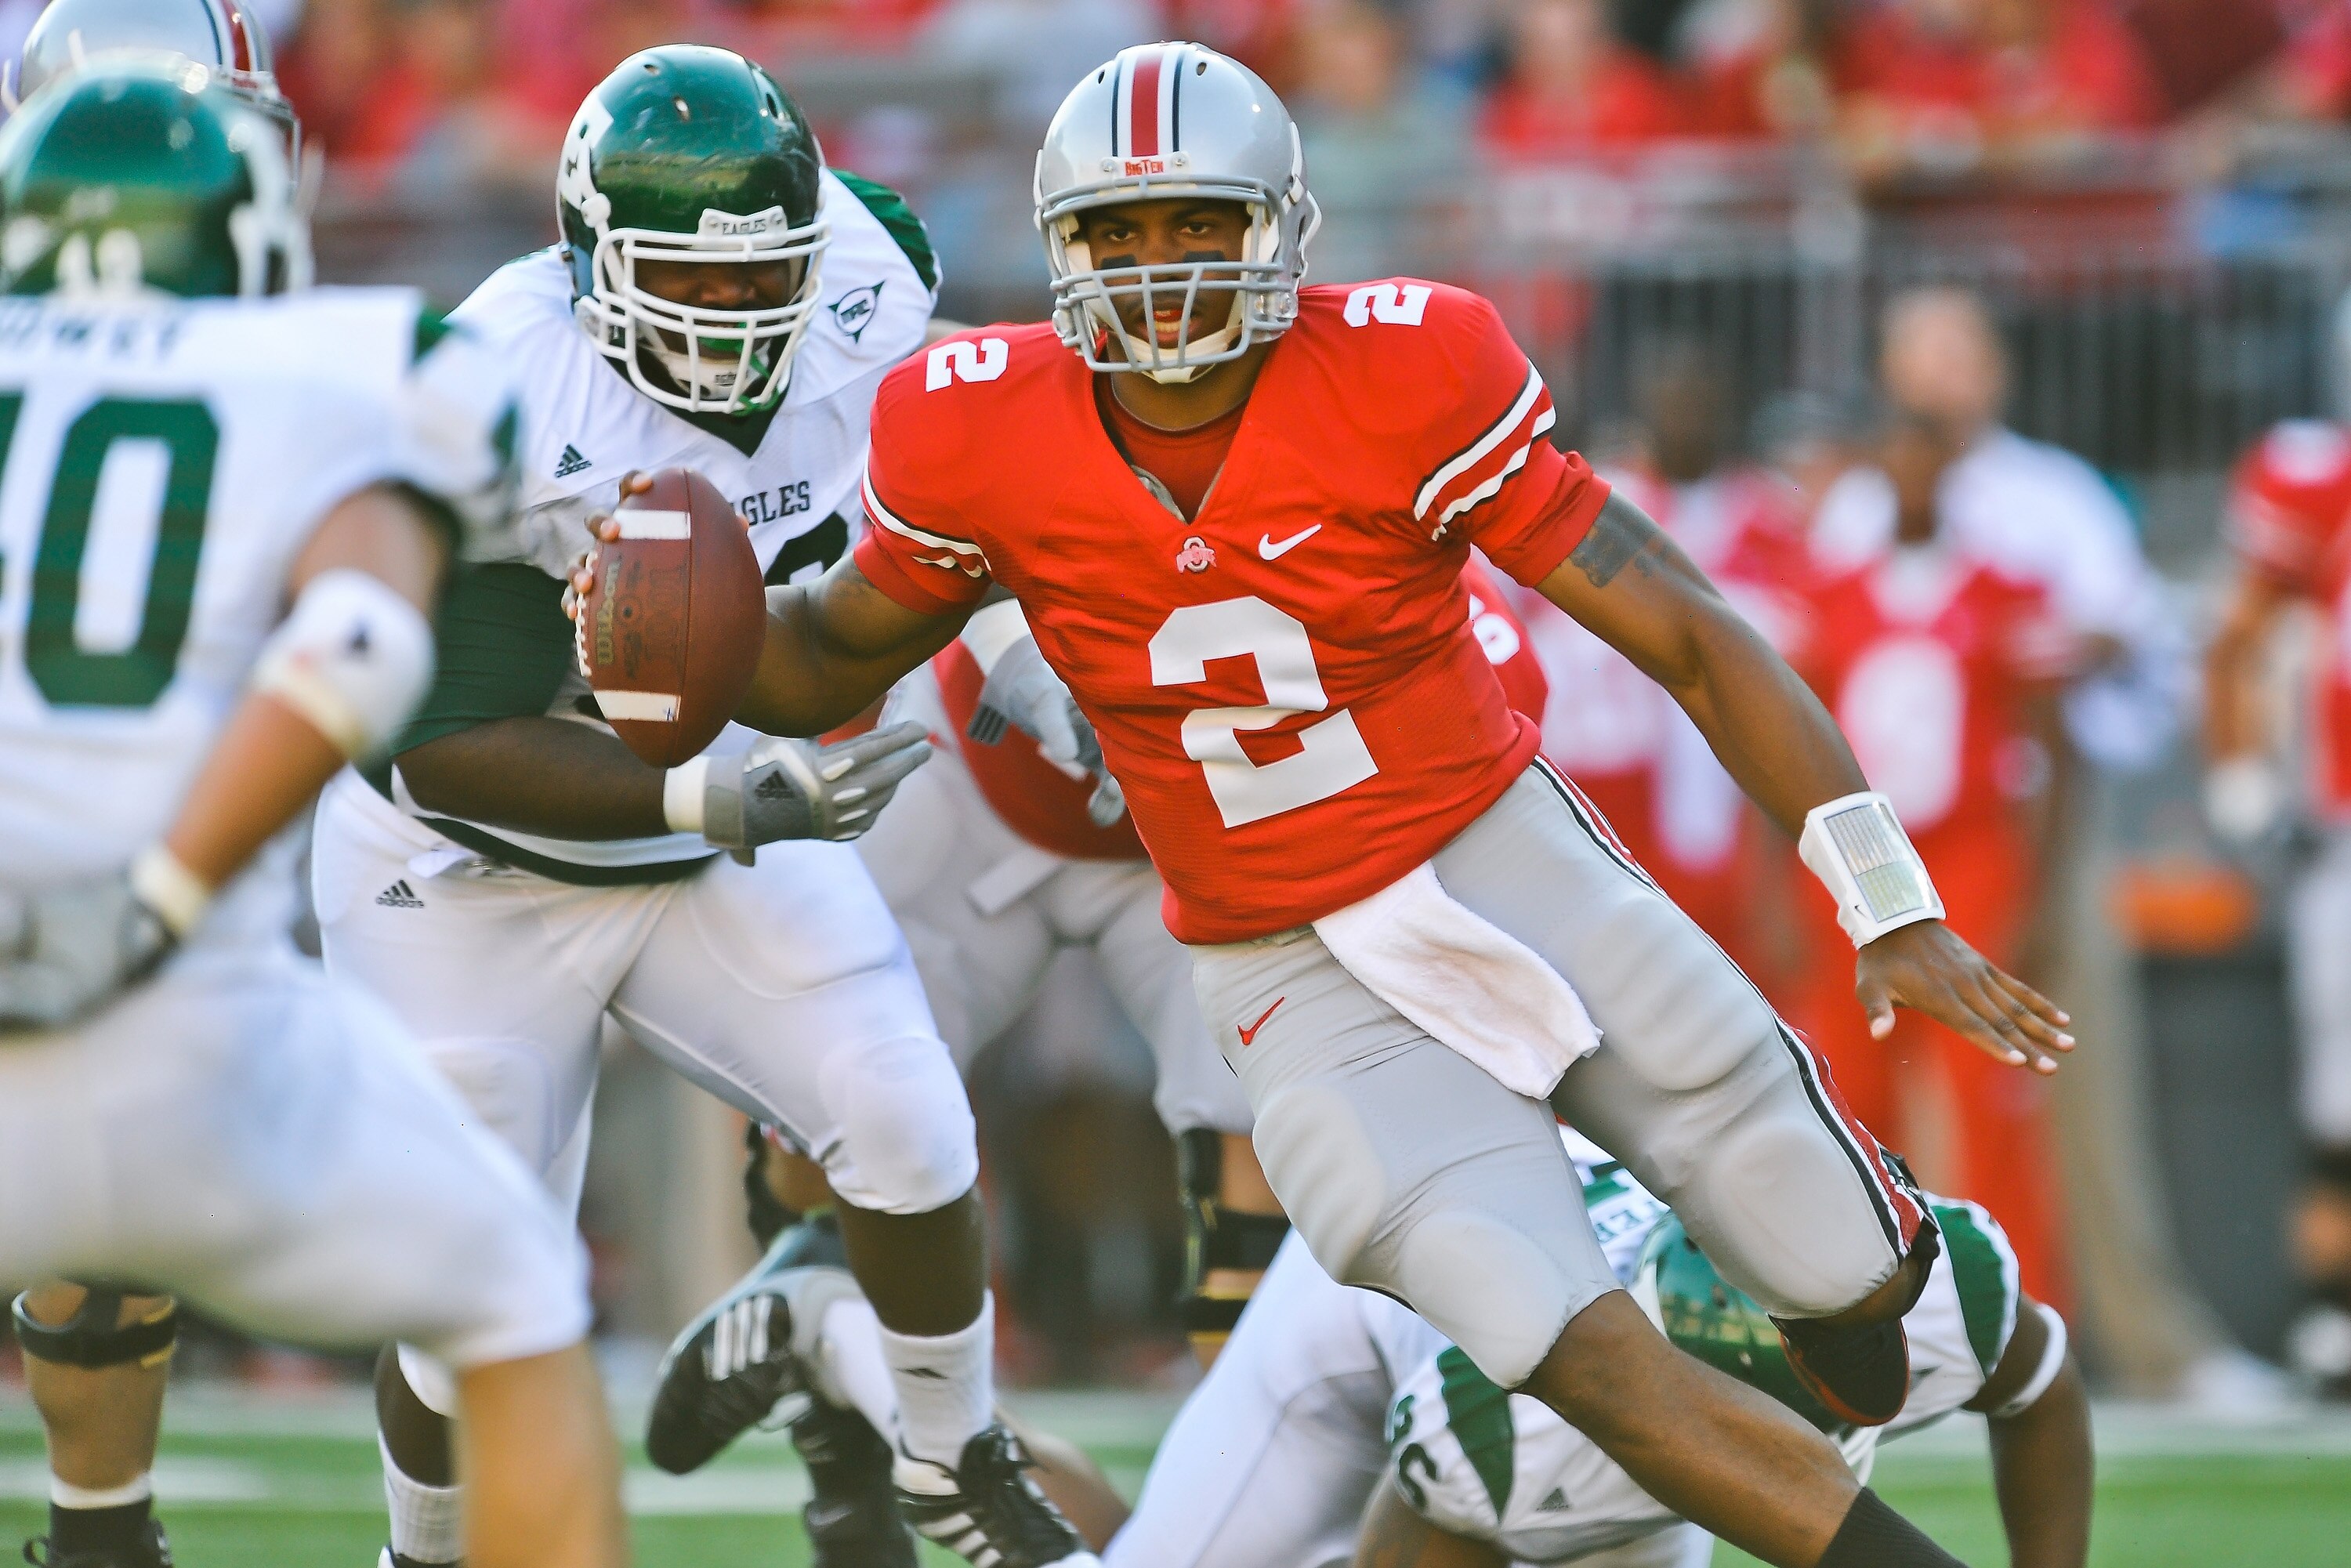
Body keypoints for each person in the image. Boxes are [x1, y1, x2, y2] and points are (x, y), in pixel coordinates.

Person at [595, 40, 2074, 1568]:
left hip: (1502, 861)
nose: (1156, 269)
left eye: (1196, 225)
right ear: (1057, 245)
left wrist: (1885, 895)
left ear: (1282, 231)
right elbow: (832, 648)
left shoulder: (1413, 368)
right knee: (1574, 1357)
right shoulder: (978, 422)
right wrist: (679, 650)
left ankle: (1835, 1313)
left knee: (1855, 1290)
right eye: (1116, 231)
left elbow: (1691, 626)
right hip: (1284, 960)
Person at [306, 43, 1094, 1568]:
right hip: (461, 867)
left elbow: (929, 484)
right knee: (468, 1268)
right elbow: (437, 742)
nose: (734, 317)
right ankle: (424, 1547)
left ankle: (948, 1459)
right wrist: (724, 792)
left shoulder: (873, 266)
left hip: (718, 812)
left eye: (763, 280)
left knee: (909, 1114)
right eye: (688, 279)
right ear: (592, 259)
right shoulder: (495, 392)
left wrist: (1009, 645)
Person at [0, 58, 624, 1568]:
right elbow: (356, 646)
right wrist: (151, 897)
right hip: (195, 1038)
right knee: (516, 1297)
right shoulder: (359, 361)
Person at [647, 565, 1549, 1555]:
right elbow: (937, 525)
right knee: (828, 1117)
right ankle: (842, 1421)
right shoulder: (1088, 429)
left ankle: (1266, 1481)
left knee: (1268, 1186)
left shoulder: (1422, 565)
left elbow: (1478, 744)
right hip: (972, 785)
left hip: (1202, 844)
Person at [1792, 411, 2081, 1307]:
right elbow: (1789, 745)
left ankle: (2018, 1315)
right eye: (1897, 455)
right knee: (1850, 1091)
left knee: (1990, 1095)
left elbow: (2058, 753)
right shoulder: (1832, 590)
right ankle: (1866, 1312)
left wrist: (2040, 896)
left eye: (1928, 455)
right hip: (1863, 858)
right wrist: (1782, 887)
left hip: (1972, 851)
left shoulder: (2006, 589)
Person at [2204, 400, 2351, 1398]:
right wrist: (2245, 774)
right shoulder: (2315, 479)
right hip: (2342, 825)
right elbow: (2236, 638)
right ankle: (2335, 1316)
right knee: (2342, 1085)